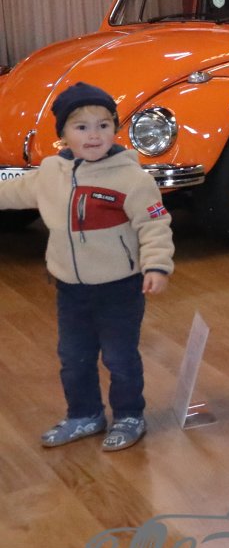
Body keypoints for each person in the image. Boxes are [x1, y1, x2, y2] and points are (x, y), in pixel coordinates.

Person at [0, 82, 174, 451]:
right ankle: (85, 414)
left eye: (103, 125)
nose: (94, 135)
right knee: (73, 357)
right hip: (70, 289)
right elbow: (13, 191)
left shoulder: (132, 179)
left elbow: (154, 223)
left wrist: (157, 266)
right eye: (81, 127)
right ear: (62, 135)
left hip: (120, 288)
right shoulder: (51, 173)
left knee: (119, 357)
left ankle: (129, 415)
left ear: (114, 129)